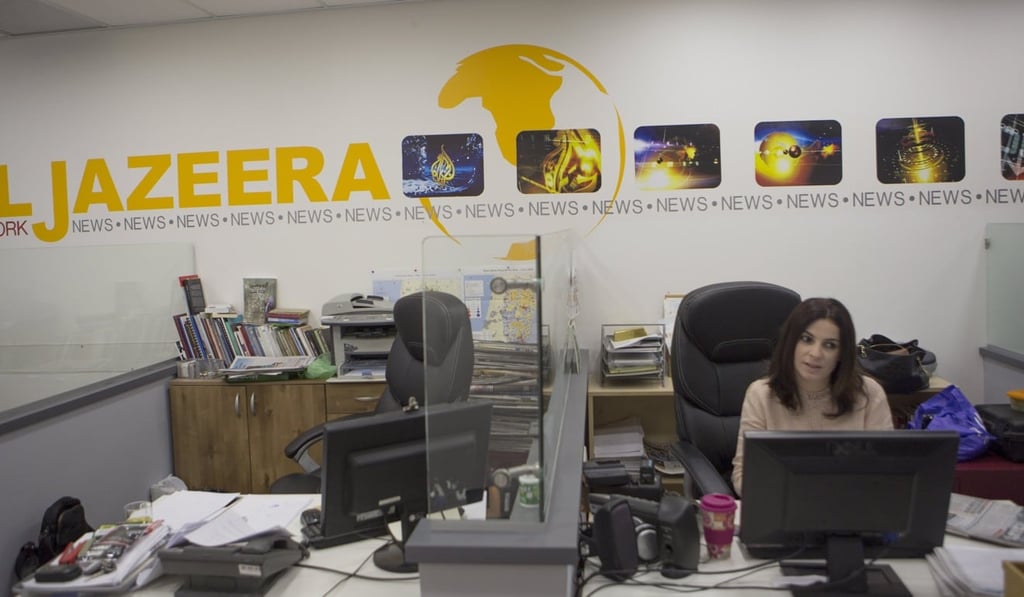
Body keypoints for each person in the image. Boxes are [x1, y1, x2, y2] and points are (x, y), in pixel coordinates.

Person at [731, 297, 893, 496]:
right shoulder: (761, 394)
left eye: (830, 345)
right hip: (783, 510)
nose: (816, 354)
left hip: (851, 512)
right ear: (791, 342)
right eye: (807, 339)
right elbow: (742, 477)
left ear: (842, 353)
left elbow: (885, 475)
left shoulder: (869, 395)